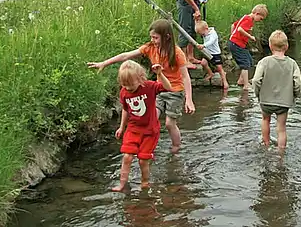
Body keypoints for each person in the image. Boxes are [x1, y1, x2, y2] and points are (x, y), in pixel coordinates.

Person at [87, 19, 195, 153]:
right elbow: (126, 55)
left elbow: (185, 77)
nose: (153, 40)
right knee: (151, 117)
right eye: (151, 37)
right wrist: (104, 63)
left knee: (169, 123)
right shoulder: (150, 48)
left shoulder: (177, 53)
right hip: (159, 90)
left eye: (155, 37)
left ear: (167, 37)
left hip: (175, 91)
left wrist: (189, 100)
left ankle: (176, 147)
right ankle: (146, 145)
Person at [111, 60, 172, 191]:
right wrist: (122, 127)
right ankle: (122, 184)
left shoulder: (148, 87)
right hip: (133, 129)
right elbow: (126, 110)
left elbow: (168, 87)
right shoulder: (124, 92)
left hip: (150, 130)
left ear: (140, 78)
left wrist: (160, 74)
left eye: (131, 84)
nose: (128, 88)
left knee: (143, 160)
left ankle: (145, 182)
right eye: (124, 85)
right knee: (127, 156)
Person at [252, 30, 301, 154]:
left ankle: (266, 145)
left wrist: (258, 94)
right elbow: (298, 83)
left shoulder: (264, 62)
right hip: (284, 102)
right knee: (281, 128)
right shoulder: (292, 64)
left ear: (270, 45)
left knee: (265, 120)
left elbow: (256, 80)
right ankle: (281, 154)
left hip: (266, 100)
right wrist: (294, 95)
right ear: (286, 46)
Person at [229, 4, 268, 89]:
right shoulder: (249, 20)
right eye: (260, 19)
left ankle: (241, 80)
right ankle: (246, 85)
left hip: (238, 44)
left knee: (250, 61)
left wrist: (232, 35)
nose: (260, 21)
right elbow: (240, 29)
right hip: (236, 44)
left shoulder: (246, 17)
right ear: (257, 14)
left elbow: (234, 25)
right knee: (245, 64)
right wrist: (250, 37)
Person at [195, 20, 230, 90]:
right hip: (207, 52)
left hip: (215, 53)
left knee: (219, 68)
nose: (202, 35)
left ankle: (225, 82)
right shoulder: (204, 31)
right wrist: (196, 20)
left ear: (206, 29)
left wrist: (203, 45)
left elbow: (211, 42)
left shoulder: (213, 34)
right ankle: (210, 73)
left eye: (202, 34)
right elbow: (198, 25)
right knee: (203, 63)